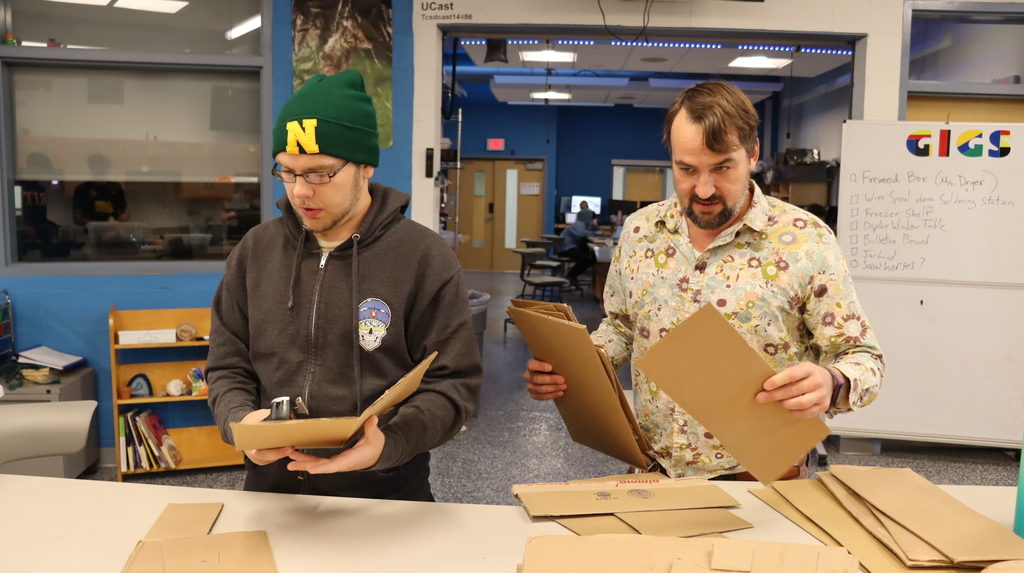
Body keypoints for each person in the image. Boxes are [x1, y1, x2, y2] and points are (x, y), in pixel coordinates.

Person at [524, 81, 884, 479]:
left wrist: (832, 382)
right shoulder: (642, 231)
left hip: (762, 479)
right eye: (687, 169)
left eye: (722, 167)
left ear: (753, 154)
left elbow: (864, 360)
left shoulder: (805, 239)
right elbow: (624, 329)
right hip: (650, 470)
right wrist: (574, 366)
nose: (704, 189)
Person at [206, 70, 483, 501]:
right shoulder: (255, 251)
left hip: (387, 496)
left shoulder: (424, 258)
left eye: (319, 173)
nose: (300, 192)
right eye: (288, 171)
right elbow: (227, 366)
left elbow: (454, 385)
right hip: (271, 495)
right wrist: (241, 423)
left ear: (365, 166)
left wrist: (388, 445)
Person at [72, 153, 130, 227]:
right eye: (97, 167)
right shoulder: (82, 189)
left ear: (107, 168)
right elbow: (77, 218)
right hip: (91, 233)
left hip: (114, 231)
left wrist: (124, 217)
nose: (101, 170)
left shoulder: (115, 187)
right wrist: (95, 226)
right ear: (91, 168)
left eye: (103, 167)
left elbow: (126, 209)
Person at [556, 206, 597, 288]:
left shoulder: (580, 224)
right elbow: (581, 233)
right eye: (591, 219)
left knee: (591, 258)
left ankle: (572, 277)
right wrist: (596, 233)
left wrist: (595, 229)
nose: (592, 221)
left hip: (568, 247)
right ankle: (570, 276)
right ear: (587, 218)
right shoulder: (579, 225)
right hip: (565, 248)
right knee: (586, 259)